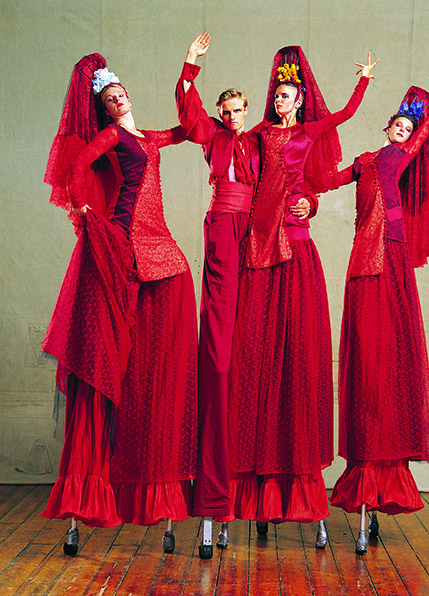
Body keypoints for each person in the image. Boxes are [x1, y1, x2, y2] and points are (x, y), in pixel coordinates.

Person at [41, 54, 198, 554]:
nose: (117, 100)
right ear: (104, 109)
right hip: (127, 238)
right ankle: (94, 493)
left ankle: (157, 488)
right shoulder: (111, 136)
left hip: (161, 245)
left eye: (120, 93)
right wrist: (86, 209)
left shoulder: (149, 138)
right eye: (108, 99)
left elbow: (188, 130)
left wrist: (189, 73)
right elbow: (73, 169)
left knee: (159, 366)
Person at [225, 46, 378, 542]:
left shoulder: (309, 131)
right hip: (258, 245)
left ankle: (299, 493)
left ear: (299, 98)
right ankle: (254, 493)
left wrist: (364, 81)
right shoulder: (256, 135)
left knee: (299, 356)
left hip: (296, 244)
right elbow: (222, 143)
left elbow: (346, 116)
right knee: (256, 357)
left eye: (289, 93)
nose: (282, 98)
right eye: (278, 93)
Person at [328, 88, 429, 555]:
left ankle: (385, 477)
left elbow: (421, 138)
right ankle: (365, 474)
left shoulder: (402, 155)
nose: (402, 134)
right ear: (385, 128)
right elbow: (330, 179)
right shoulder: (365, 161)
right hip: (365, 258)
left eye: (406, 130)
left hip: (392, 256)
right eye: (397, 127)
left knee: (389, 355)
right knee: (366, 356)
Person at [175, 34, 260, 525]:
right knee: (222, 321)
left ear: (247, 110)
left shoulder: (258, 137)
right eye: (225, 111)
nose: (231, 117)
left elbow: (293, 165)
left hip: (256, 226)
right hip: (223, 226)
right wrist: (191, 64)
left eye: (236, 110)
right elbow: (189, 114)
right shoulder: (212, 135)